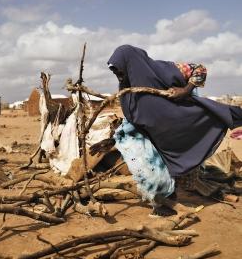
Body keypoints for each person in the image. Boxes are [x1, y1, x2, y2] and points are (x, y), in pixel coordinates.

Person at [100, 45, 242, 216]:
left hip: (184, 124)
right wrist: (116, 138)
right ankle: (165, 205)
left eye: (118, 69)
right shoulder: (126, 89)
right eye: (114, 71)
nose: (118, 74)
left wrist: (185, 91)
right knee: (157, 171)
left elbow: (199, 69)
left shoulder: (163, 69)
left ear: (130, 62)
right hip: (159, 138)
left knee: (190, 161)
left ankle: (185, 198)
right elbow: (132, 117)